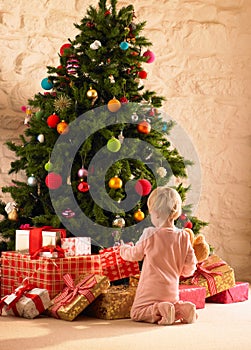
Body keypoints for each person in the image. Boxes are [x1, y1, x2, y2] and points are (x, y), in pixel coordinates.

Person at [120, 186, 198, 325]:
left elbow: (135, 255)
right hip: (172, 289)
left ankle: (160, 309)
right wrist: (182, 270)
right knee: (172, 304)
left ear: (156, 213)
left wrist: (123, 249)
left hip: (150, 288)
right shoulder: (184, 236)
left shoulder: (150, 233)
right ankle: (184, 309)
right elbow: (190, 266)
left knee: (137, 312)